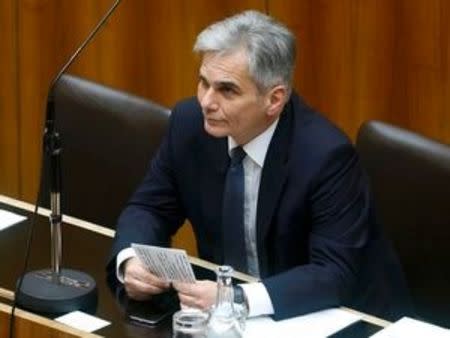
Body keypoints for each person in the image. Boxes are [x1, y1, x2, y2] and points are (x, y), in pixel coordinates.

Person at [107, 10, 412, 321]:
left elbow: (333, 273)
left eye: (227, 90)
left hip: (340, 318)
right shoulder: (189, 125)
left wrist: (235, 297)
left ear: (274, 100)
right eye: (203, 83)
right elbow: (150, 207)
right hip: (229, 318)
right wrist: (131, 259)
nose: (207, 102)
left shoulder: (325, 155)